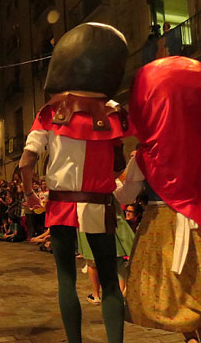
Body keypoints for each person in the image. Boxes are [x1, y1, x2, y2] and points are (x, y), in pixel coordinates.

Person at [19, 23, 130, 343]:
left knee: (65, 280)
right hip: (99, 204)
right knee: (109, 281)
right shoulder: (113, 112)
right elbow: (119, 159)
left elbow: (26, 162)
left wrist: (29, 196)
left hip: (61, 203)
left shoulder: (49, 112)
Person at [115, 56, 201, 343]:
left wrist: (105, 184)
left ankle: (190, 337)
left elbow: (125, 195)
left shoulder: (145, 155)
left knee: (176, 292)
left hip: (162, 229)